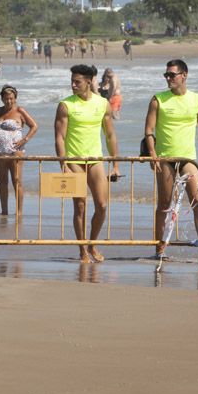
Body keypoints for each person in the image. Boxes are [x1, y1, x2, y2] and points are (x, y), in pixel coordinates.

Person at [143, 59, 198, 262]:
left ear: (183, 75)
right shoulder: (158, 99)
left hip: (187, 158)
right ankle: (159, 249)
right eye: (166, 75)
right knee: (165, 203)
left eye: (172, 75)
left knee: (197, 201)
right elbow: (149, 130)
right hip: (165, 158)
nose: (168, 78)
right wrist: (152, 154)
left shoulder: (197, 100)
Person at [54, 65, 120, 263]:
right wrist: (63, 163)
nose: (73, 85)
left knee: (102, 205)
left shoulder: (102, 104)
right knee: (80, 206)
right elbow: (59, 137)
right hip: (74, 160)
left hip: (95, 159)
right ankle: (82, 250)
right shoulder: (66, 105)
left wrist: (115, 163)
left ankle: (92, 243)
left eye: (77, 82)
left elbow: (109, 135)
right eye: (72, 81)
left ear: (90, 81)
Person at [0, 85, 37, 217]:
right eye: (6, 98)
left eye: (11, 99)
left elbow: (34, 126)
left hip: (15, 152)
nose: (9, 101)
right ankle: (4, 211)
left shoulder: (20, 110)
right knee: (2, 182)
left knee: (16, 180)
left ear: (15, 98)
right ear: (2, 98)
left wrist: (25, 139)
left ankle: (19, 211)